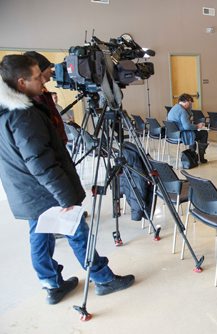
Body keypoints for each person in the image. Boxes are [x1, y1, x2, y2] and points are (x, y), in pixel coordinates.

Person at [0, 54, 134, 305]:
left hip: (27, 192)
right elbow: (41, 162)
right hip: (45, 191)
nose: (43, 80)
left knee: (39, 236)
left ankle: (51, 284)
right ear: (21, 83)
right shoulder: (24, 115)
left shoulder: (6, 110)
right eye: (37, 77)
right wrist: (65, 198)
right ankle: (103, 279)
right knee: (77, 233)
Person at [24, 51, 68, 144]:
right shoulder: (36, 96)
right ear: (40, 71)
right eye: (49, 68)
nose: (52, 71)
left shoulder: (42, 92)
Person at [167, 93, 209, 163]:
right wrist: (197, 126)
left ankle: (193, 154)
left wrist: (189, 111)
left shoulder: (174, 108)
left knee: (194, 132)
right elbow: (187, 126)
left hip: (172, 134)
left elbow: (189, 118)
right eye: (190, 103)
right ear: (186, 101)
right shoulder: (182, 111)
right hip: (181, 135)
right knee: (204, 133)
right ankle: (200, 157)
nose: (191, 105)